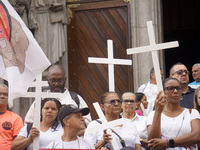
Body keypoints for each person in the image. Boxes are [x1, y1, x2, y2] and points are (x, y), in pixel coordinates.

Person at [25, 64, 92, 126]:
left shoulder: (75, 98)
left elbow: (88, 123)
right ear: (47, 80)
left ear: (65, 79)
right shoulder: (40, 99)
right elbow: (28, 123)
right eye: (53, 80)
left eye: (60, 80)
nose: (56, 84)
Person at [147, 78, 200, 150]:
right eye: (170, 88)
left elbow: (196, 136)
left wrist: (167, 142)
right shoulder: (153, 114)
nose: (175, 91)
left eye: (178, 88)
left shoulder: (192, 113)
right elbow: (152, 141)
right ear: (163, 91)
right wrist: (158, 112)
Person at [0, 84, 23, 150]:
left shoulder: (16, 118)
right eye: (0, 93)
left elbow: (18, 144)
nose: (2, 96)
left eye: (5, 94)